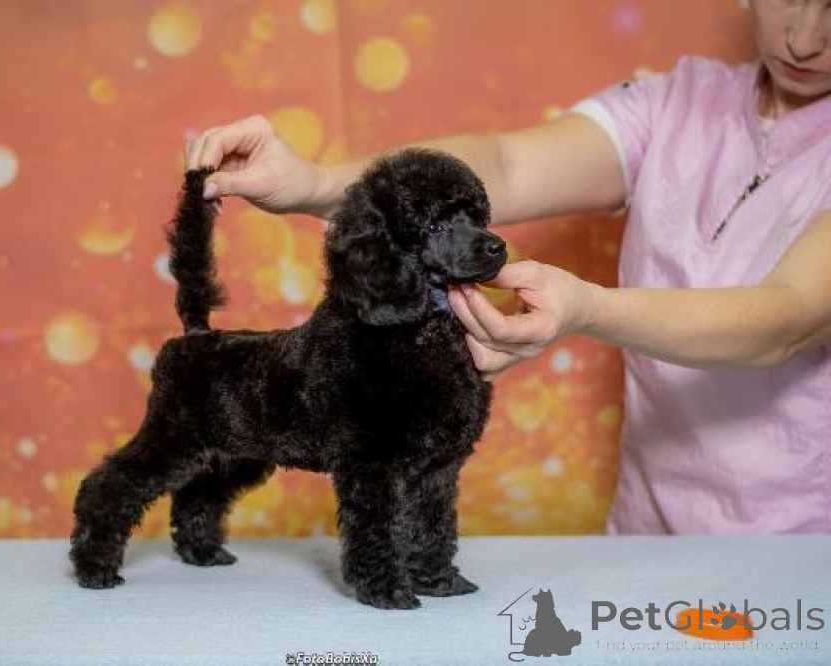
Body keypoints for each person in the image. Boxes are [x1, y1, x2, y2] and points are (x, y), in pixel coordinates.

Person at [183, 0, 831, 534]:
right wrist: (317, 183)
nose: (804, 39)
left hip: (799, 545)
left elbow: (790, 318)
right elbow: (506, 166)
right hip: (645, 531)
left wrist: (587, 308)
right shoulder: (677, 101)